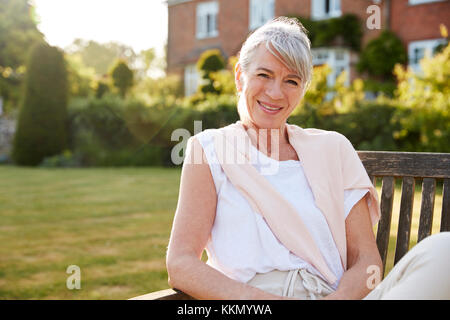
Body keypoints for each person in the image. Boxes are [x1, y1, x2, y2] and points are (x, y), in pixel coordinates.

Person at [166, 17, 450, 300]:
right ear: (240, 75)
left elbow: (366, 261)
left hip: (334, 296)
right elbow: (181, 264)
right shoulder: (208, 149)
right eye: (264, 75)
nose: (275, 93)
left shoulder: (332, 148)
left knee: (444, 252)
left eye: (291, 81)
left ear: (303, 89)